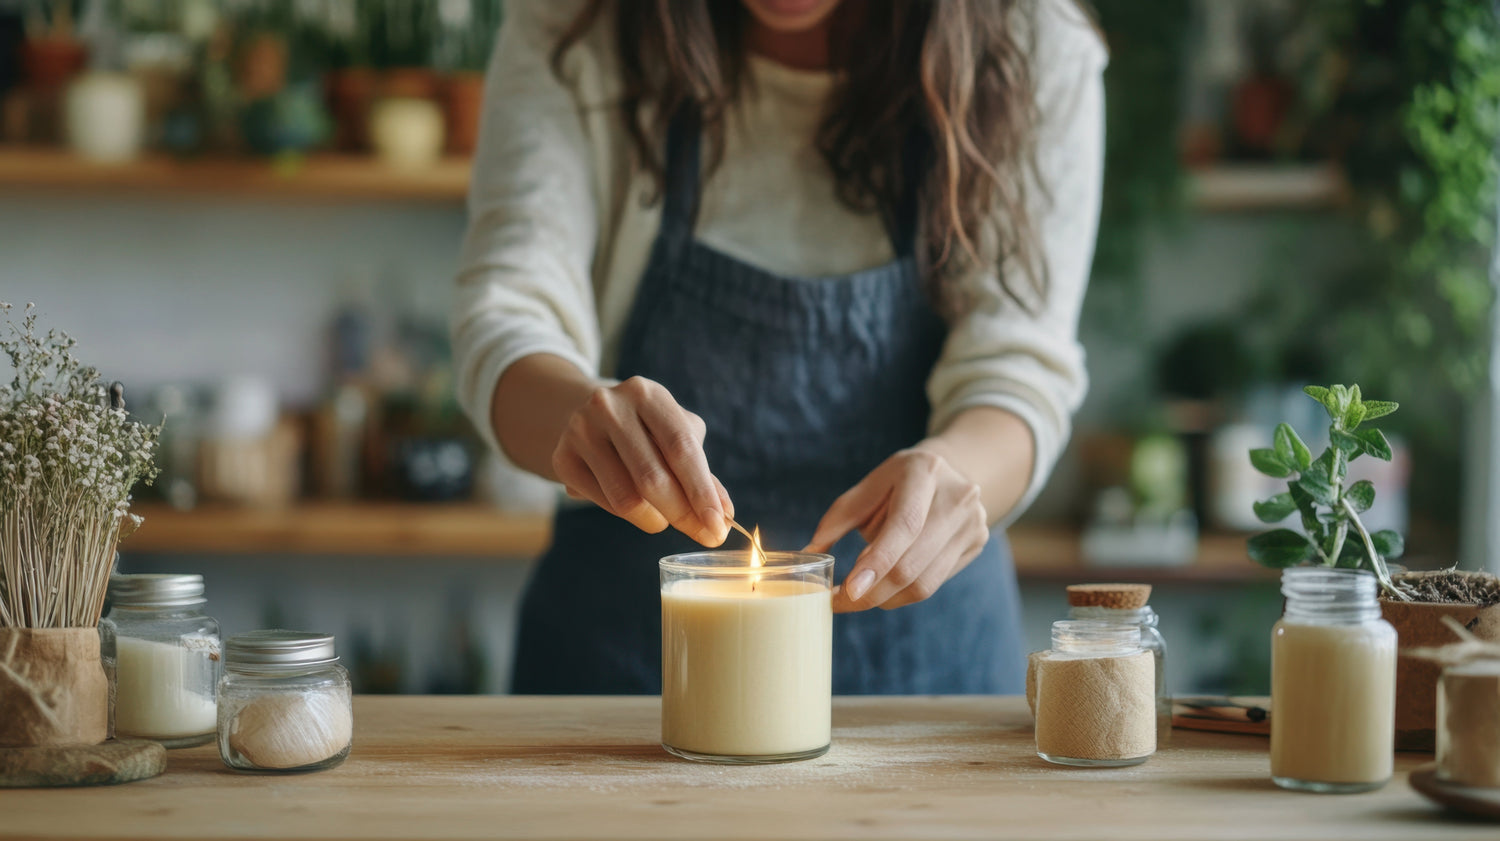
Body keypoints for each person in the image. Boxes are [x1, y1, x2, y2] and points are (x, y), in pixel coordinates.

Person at [451, 0, 1105, 695]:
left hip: (924, 678)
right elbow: (509, 314)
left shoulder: (1029, 40)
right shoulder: (575, 23)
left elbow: (1019, 366)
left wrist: (957, 471)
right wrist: (580, 421)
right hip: (620, 675)